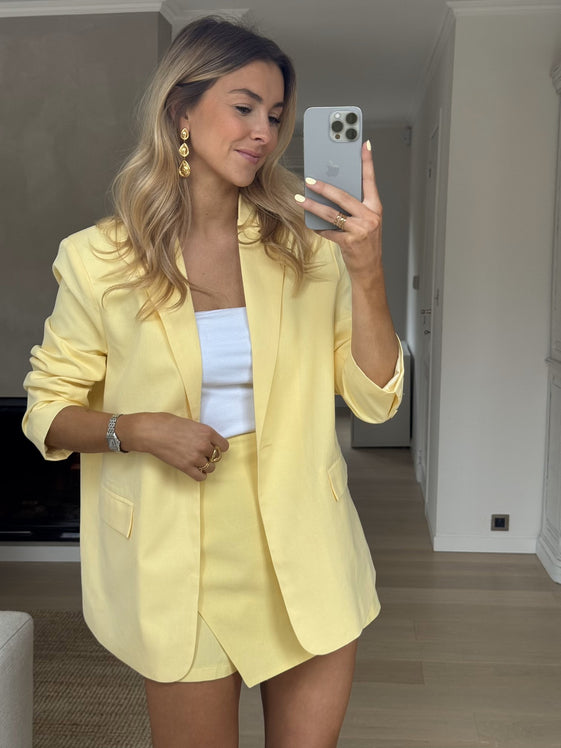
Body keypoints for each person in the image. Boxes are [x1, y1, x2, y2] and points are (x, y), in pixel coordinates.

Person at [23, 16, 403, 748]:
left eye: (276, 115)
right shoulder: (97, 259)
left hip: (305, 544)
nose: (264, 131)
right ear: (181, 111)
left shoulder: (308, 247)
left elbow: (373, 398)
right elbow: (46, 411)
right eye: (244, 106)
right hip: (177, 555)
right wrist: (135, 430)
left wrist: (366, 270)